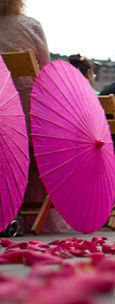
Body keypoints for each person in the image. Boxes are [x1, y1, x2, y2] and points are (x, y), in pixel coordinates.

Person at [0, 0, 69, 234]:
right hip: (29, 119)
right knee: (44, 152)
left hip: (3, 115)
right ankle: (34, 218)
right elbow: (46, 72)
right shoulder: (30, 26)